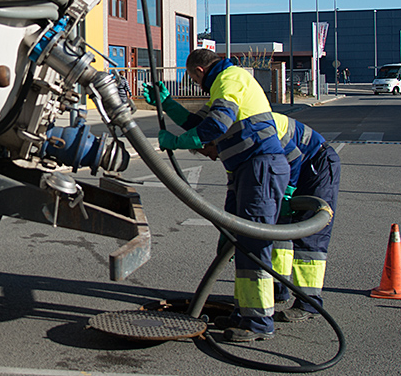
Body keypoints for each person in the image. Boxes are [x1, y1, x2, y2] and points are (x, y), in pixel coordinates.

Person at [144, 49, 292, 342]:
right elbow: (198, 124)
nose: (195, 84)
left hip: (259, 168)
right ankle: (245, 311)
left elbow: (215, 126)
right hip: (246, 171)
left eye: (191, 78)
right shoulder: (223, 85)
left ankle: (259, 322)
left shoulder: (230, 77)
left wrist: (175, 142)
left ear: (199, 70)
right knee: (232, 241)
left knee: (251, 244)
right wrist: (167, 104)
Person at [269, 115, 340, 323]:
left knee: (310, 232)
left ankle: (309, 302)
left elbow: (294, 156)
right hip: (294, 166)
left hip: (316, 163)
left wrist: (288, 190)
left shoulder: (257, 120)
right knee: (280, 228)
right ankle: (278, 288)